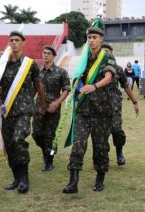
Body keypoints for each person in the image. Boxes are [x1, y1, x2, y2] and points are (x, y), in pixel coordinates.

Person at [63, 25, 116, 194]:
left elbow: (109, 76)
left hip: (102, 111)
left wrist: (94, 86)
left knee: (100, 147)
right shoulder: (83, 58)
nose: (92, 40)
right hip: (84, 110)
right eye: (90, 38)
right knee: (78, 144)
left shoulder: (106, 57)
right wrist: (78, 88)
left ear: (101, 39)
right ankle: (73, 181)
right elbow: (77, 78)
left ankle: (100, 178)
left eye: (95, 37)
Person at [0, 31, 46, 193]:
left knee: (18, 140)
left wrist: (42, 105)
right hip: (7, 111)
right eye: (11, 40)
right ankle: (16, 177)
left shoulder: (30, 64)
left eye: (17, 40)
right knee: (9, 145)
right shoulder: (2, 64)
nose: (13, 43)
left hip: (24, 109)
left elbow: (39, 85)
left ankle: (24, 178)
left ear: (23, 42)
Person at [32, 46, 71, 171]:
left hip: (53, 108)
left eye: (49, 53)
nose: (46, 55)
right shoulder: (37, 72)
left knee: (49, 136)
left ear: (54, 56)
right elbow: (33, 89)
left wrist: (57, 102)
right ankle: (50, 151)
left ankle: (49, 162)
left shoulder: (61, 72)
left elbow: (66, 89)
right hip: (39, 107)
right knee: (37, 134)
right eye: (44, 53)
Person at [101, 43, 139, 165]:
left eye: (107, 51)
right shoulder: (94, 68)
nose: (105, 53)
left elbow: (126, 86)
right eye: (103, 51)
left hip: (114, 106)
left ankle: (119, 152)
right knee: (102, 134)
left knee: (117, 132)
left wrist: (135, 102)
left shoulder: (118, 69)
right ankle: (103, 157)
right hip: (98, 106)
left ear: (112, 52)